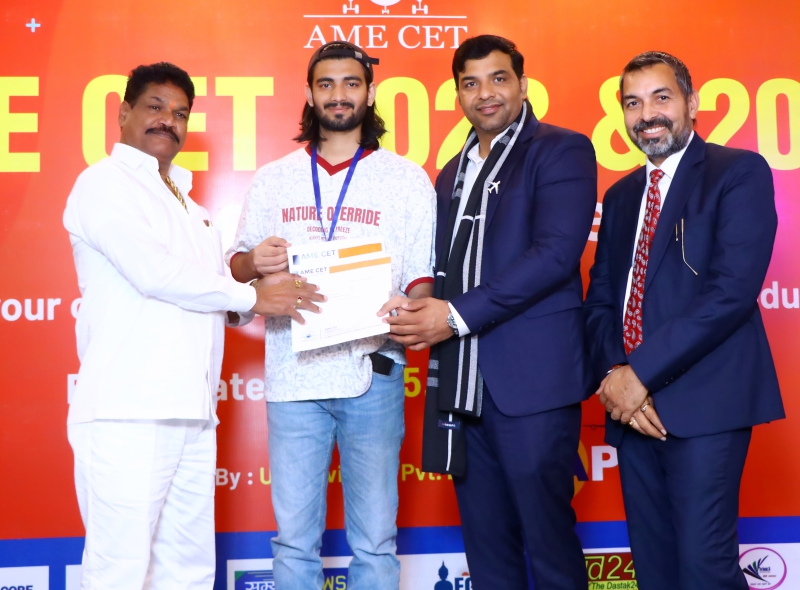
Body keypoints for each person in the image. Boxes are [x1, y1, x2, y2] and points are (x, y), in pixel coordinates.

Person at [62, 62, 323, 589]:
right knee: (118, 571)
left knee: (189, 572)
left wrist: (255, 275)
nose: (168, 121)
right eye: (155, 107)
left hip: (193, 412)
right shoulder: (103, 184)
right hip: (127, 411)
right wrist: (253, 296)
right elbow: (154, 273)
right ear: (123, 113)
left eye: (180, 114)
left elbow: (215, 292)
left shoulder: (193, 207)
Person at [381, 35, 597, 589]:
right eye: (471, 83)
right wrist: (411, 304)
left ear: (522, 84)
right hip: (463, 384)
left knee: (548, 541)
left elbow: (554, 255)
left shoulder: (560, 149)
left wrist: (452, 315)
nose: (486, 94)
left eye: (499, 79)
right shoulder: (451, 172)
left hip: (531, 382)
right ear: (457, 94)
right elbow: (442, 268)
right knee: (486, 545)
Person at [227, 42, 436, 590]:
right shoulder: (274, 178)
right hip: (293, 375)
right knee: (294, 540)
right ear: (309, 93)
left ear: (370, 92)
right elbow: (236, 268)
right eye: (326, 84)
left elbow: (420, 275)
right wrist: (253, 263)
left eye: (350, 83)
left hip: (374, 372)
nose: (338, 95)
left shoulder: (406, 178)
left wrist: (413, 305)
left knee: (375, 540)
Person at [583, 51, 785, 590]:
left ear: (692, 103)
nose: (647, 114)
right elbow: (601, 299)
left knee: (703, 569)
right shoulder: (621, 196)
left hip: (705, 402)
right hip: (632, 411)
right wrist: (614, 374)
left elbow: (729, 293)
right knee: (655, 570)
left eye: (661, 98)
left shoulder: (736, 172)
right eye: (632, 103)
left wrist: (639, 374)